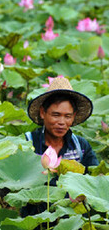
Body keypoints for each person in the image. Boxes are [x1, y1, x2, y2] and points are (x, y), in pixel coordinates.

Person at [22, 77, 99, 217]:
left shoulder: (81, 146)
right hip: (35, 217)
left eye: (67, 116)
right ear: (42, 113)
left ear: (74, 116)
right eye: (56, 115)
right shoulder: (27, 143)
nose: (62, 122)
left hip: (72, 217)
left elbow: (95, 180)